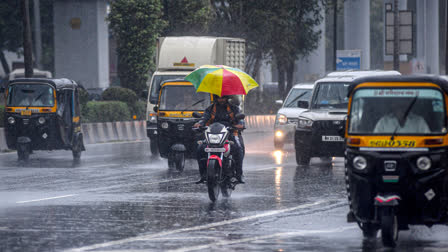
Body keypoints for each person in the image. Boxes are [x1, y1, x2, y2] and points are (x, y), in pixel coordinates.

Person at [193, 95, 246, 184]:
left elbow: (240, 119)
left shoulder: (234, 108)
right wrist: (199, 124)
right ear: (215, 98)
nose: (221, 99)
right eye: (219, 97)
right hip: (213, 134)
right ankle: (202, 175)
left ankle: (239, 175)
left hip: (230, 133)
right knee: (199, 149)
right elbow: (204, 118)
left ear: (227, 98)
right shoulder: (210, 109)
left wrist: (240, 124)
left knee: (238, 148)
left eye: (223, 97)